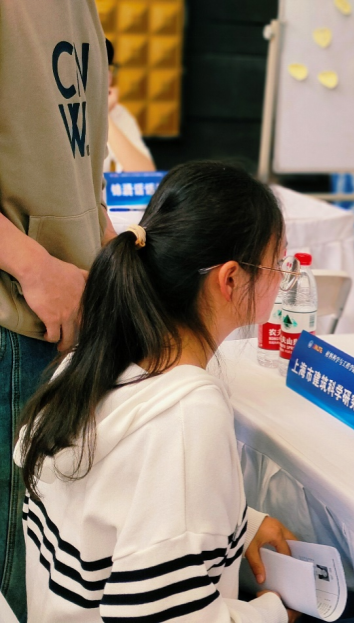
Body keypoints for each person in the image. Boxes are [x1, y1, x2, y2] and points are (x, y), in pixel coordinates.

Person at [15, 161, 300, 622]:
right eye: (277, 264)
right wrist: (273, 615)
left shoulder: (92, 363)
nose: (281, 279)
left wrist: (241, 525)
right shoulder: (188, 412)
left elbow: (119, 509)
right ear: (230, 279)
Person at [0, 2, 116, 619]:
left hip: (65, 319)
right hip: (15, 321)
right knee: (15, 578)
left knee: (48, 569)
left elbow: (75, 157)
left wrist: (104, 241)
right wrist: (35, 269)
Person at [104, 38, 156, 173]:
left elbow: (145, 174)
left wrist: (104, 116)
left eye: (108, 67)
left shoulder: (115, 112)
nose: (108, 76)